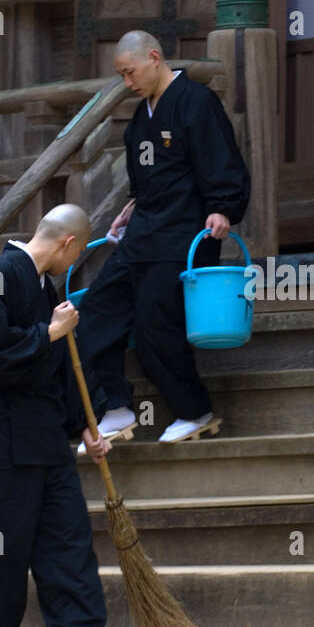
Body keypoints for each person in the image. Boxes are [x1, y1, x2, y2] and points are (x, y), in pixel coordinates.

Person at [0, 203, 127, 627]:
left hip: (47, 438)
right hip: (3, 437)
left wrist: (87, 426)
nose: (72, 268)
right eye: (75, 257)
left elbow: (62, 368)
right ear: (67, 243)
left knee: (66, 537)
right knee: (2, 543)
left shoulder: (43, 287)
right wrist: (49, 330)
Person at [76, 29, 251, 445]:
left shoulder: (196, 102)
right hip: (144, 230)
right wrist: (131, 207)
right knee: (96, 311)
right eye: (121, 75)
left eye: (130, 72)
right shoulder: (142, 116)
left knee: (156, 323)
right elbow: (149, 180)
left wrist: (224, 207)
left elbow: (222, 159)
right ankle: (116, 408)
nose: (127, 83)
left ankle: (195, 411)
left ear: (154, 57)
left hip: (186, 230)